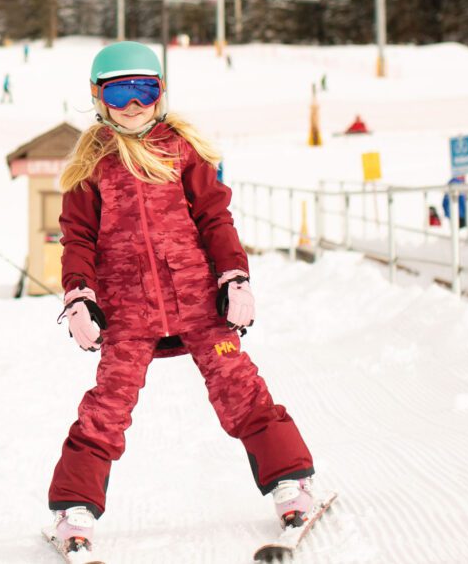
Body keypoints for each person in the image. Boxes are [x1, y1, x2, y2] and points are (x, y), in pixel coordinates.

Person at [45, 42, 316, 560]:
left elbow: (215, 219)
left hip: (197, 300)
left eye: (144, 91)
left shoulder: (183, 150)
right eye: (119, 92)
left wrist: (233, 277)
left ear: (160, 94)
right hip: (127, 310)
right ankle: (74, 509)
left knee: (240, 388)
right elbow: (77, 236)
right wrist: (80, 294)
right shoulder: (93, 162)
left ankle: (291, 482)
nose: (132, 105)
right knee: (108, 406)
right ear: (98, 98)